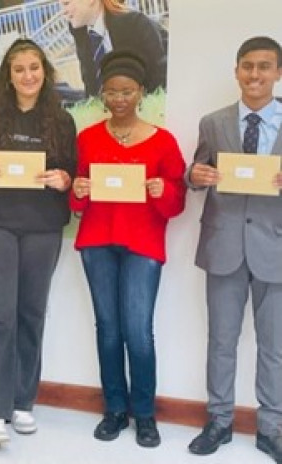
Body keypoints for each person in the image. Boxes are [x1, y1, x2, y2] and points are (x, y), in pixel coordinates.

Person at [0, 39, 77, 445]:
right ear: (8, 75)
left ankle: (22, 401)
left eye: (34, 67)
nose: (27, 75)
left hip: (43, 226)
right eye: (19, 69)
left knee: (31, 313)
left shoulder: (62, 120)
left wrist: (63, 180)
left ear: (44, 71)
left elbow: (71, 174)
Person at [70, 51, 186, 447]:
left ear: (140, 92)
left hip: (142, 245)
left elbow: (176, 203)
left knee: (138, 332)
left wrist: (163, 190)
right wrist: (78, 190)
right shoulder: (86, 139)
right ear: (102, 94)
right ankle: (115, 409)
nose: (119, 98)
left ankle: (145, 414)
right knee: (108, 331)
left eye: (127, 91)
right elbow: (76, 203)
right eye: (112, 91)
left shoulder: (163, 141)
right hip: (97, 243)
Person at [186, 36, 282, 463]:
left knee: (274, 346)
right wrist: (195, 175)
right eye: (247, 66)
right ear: (236, 70)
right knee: (221, 341)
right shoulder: (214, 122)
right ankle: (219, 420)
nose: (255, 74)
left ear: (278, 73)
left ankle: (272, 428)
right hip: (223, 243)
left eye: (264, 66)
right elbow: (196, 171)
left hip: (274, 248)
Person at [58, 0, 167, 96]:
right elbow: (91, 88)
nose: (63, 12)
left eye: (66, 3)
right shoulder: (80, 31)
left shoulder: (135, 24)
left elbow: (159, 81)